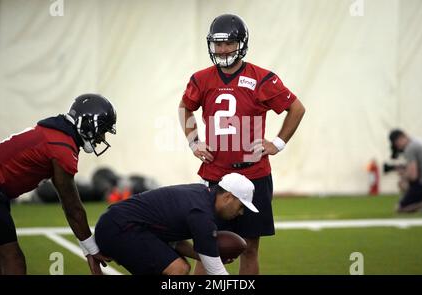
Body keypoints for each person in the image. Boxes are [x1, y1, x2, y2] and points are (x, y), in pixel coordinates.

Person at [178, 14, 305, 274]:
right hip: (216, 173)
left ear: (242, 43)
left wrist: (277, 143)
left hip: (253, 172)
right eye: (218, 43)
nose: (222, 49)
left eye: (229, 43)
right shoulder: (201, 79)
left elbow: (296, 108)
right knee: (206, 248)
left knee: (249, 248)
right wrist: (194, 142)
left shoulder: (262, 78)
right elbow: (185, 108)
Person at [0, 93, 116, 274]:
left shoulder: (56, 134)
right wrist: (91, 249)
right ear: (87, 122)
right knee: (13, 260)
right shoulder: (61, 146)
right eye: (102, 129)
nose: (101, 137)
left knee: (7, 257)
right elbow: (72, 207)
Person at [94, 172, 257, 275]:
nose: (241, 212)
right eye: (241, 206)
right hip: (121, 227)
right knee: (177, 269)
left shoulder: (201, 194)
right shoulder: (202, 215)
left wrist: (211, 253)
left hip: (121, 223)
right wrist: (213, 256)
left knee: (181, 268)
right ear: (228, 197)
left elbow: (174, 242)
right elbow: (216, 271)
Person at [389, 129, 422, 212]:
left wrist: (403, 175)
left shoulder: (410, 148)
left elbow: (413, 176)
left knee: (400, 209)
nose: (399, 148)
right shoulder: (418, 141)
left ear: (399, 139)